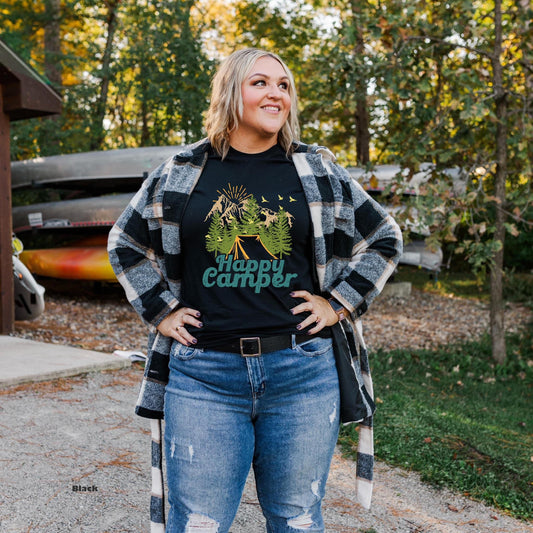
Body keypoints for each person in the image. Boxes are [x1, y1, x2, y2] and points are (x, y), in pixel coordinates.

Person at [108, 48, 402, 533]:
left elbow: (385, 237)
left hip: (302, 373)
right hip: (204, 373)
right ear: (232, 92)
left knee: (297, 519)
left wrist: (339, 303)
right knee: (199, 523)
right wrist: (160, 310)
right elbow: (125, 242)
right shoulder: (183, 169)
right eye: (260, 82)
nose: (276, 94)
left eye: (284, 85)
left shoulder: (316, 169)